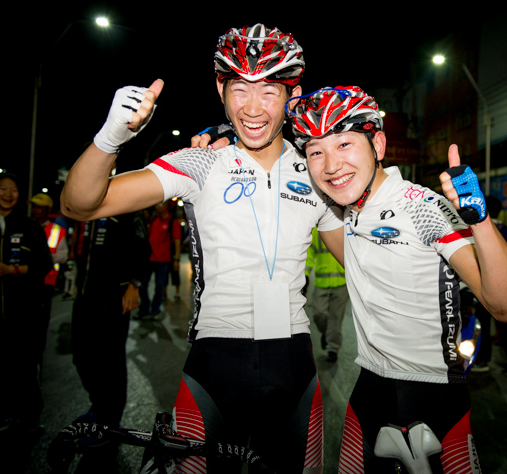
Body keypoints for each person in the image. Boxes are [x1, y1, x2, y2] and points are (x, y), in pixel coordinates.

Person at [60, 24, 343, 473]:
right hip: (215, 366)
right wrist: (110, 138)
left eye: (269, 90)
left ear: (292, 93)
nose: (252, 108)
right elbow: (78, 205)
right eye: (239, 89)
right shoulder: (203, 159)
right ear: (219, 88)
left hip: (295, 367)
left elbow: (366, 265)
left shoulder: (316, 168)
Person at [288, 86, 507, 472]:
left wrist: (480, 222)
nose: (331, 165)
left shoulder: (422, 206)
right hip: (367, 391)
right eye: (316, 151)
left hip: (434, 396)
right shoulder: (344, 209)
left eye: (345, 144)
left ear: (378, 144)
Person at [69, 210, 150, 469]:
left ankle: (109, 425)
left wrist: (134, 285)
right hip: (85, 296)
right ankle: (99, 405)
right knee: (81, 354)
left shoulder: (125, 208)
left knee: (111, 360)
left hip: (114, 297)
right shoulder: (84, 208)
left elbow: (142, 248)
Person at [0, 173, 52, 433]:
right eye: (3, 189)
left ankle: (30, 417)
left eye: (14, 189)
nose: (9, 194)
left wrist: (12, 271)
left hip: (25, 313)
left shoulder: (30, 227)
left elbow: (45, 265)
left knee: (26, 368)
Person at [473, 196, 507, 375]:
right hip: (506, 284)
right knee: (506, 325)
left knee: (483, 324)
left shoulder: (478, 228)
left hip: (485, 284)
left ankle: (482, 359)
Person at [29, 192, 68, 357]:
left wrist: (44, 258)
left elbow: (63, 255)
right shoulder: (26, 227)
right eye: (34, 207)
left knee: (39, 324)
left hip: (46, 282)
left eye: (40, 207)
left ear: (47, 210)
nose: (36, 210)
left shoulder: (57, 230)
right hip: (25, 281)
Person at [306, 226, 348, 362]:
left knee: (336, 318)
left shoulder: (345, 228)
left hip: (342, 282)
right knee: (319, 314)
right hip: (322, 282)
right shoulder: (317, 231)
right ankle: (326, 334)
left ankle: (333, 349)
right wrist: (305, 275)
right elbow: (310, 252)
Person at [137, 200, 180, 319]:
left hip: (163, 260)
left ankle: (155, 310)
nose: (157, 206)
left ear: (167, 206)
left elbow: (177, 241)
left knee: (159, 286)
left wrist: (176, 259)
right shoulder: (154, 220)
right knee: (142, 284)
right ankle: (145, 307)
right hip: (150, 259)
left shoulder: (173, 222)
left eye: (160, 204)